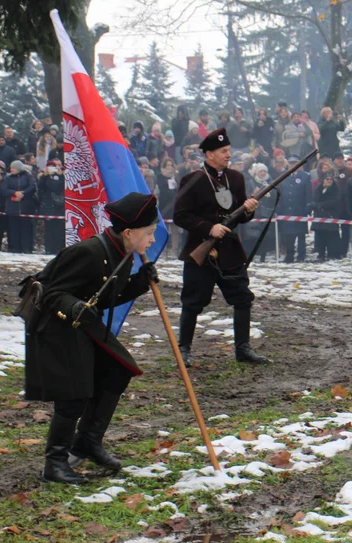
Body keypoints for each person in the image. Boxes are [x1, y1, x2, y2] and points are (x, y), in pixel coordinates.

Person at [24, 191, 160, 484]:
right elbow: (51, 292)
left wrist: (140, 282)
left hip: (84, 325)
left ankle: (87, 442)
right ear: (128, 232)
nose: (151, 240)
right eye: (148, 233)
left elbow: (104, 297)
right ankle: (55, 463)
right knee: (74, 393)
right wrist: (73, 306)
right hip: (58, 327)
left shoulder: (122, 253)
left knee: (117, 370)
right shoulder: (88, 252)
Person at [173, 128, 267, 366]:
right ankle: (183, 349)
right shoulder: (191, 179)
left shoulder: (235, 178)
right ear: (209, 153)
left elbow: (239, 217)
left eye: (228, 150)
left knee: (242, 299)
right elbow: (181, 216)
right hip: (200, 249)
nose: (228, 154)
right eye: (223, 151)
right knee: (192, 302)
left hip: (230, 251)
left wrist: (249, 210)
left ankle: (243, 349)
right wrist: (208, 228)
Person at [278, 158, 311, 263]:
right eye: (291, 163)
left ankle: (301, 256)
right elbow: (281, 193)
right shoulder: (284, 176)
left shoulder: (305, 176)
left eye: (295, 163)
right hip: (287, 210)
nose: (293, 165)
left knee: (301, 235)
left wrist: (308, 207)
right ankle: (290, 256)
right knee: (289, 235)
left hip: (300, 210)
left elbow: (308, 193)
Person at [4, 160, 38, 253]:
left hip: (26, 207)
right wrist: (15, 193)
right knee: (13, 230)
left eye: (14, 168)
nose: (12, 169)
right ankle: (15, 248)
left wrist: (23, 194)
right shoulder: (8, 178)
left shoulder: (28, 176)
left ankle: (27, 248)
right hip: (12, 208)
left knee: (26, 230)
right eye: (11, 167)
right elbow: (4, 190)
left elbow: (32, 187)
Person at [313, 170, 343, 261]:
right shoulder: (318, 188)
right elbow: (315, 199)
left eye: (331, 179)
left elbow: (335, 201)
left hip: (331, 215)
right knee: (320, 236)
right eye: (327, 179)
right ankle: (321, 254)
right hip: (320, 216)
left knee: (331, 237)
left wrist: (322, 204)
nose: (329, 181)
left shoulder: (335, 189)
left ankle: (332, 254)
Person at [38, 160, 66, 254]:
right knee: (49, 229)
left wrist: (60, 176)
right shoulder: (45, 177)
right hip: (48, 206)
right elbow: (40, 188)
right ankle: (49, 249)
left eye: (58, 165)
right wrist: (45, 176)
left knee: (59, 229)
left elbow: (58, 188)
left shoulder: (62, 176)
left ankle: (58, 249)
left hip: (59, 207)